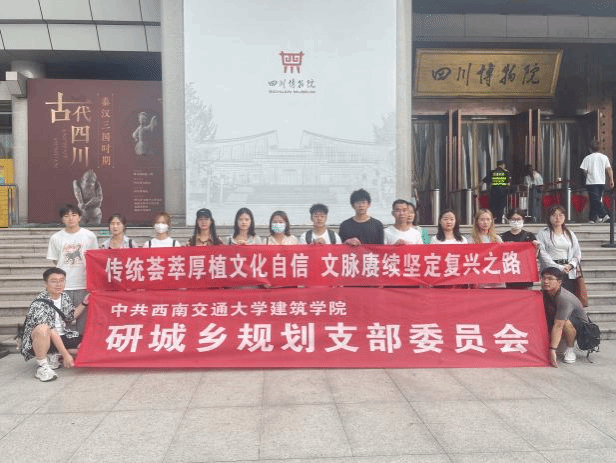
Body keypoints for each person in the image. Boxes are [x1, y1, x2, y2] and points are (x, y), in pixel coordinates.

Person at [21, 268, 88, 382]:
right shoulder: (40, 303)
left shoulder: (64, 296)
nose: (58, 284)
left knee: (86, 347)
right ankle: (42, 366)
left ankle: (54, 353)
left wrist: (84, 303)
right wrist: (66, 355)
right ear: (45, 283)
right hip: (42, 339)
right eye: (54, 281)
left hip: (62, 335)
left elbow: (70, 316)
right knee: (43, 329)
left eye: (61, 280)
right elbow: (51, 330)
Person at [47, 204, 98, 334]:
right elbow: (55, 260)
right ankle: (65, 345)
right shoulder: (56, 238)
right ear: (62, 219)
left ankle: (82, 345)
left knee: (84, 322)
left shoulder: (89, 236)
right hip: (63, 286)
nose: (70, 218)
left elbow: (94, 260)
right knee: (63, 321)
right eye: (66, 216)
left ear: (79, 217)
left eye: (74, 215)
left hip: (83, 285)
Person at [541, 267, 590, 367]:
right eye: (544, 278)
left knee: (565, 322)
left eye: (550, 279)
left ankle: (570, 349)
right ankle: (561, 343)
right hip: (559, 320)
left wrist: (552, 350)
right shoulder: (545, 292)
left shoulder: (563, 298)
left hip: (581, 327)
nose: (546, 281)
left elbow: (559, 325)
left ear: (559, 282)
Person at [537, 204, 581, 295]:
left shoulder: (569, 234)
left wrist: (571, 265)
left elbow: (577, 253)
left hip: (568, 271)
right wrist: (559, 267)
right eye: (554, 215)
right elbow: (543, 254)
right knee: (551, 296)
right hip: (551, 270)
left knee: (568, 296)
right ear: (549, 217)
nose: (558, 218)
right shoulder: (543, 233)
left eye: (561, 215)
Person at [500, 208, 539, 289]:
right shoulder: (502, 237)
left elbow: (534, 256)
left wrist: (537, 247)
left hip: (525, 275)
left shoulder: (530, 236)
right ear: (509, 220)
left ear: (523, 220)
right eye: (513, 219)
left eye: (518, 219)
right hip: (509, 274)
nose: (516, 221)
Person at [580, 139, 614, 223]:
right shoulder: (604, 157)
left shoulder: (587, 158)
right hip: (601, 181)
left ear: (590, 148)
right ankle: (592, 218)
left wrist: (587, 176)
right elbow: (609, 169)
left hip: (591, 182)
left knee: (595, 200)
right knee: (595, 199)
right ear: (599, 148)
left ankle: (604, 214)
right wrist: (611, 179)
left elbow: (584, 171)